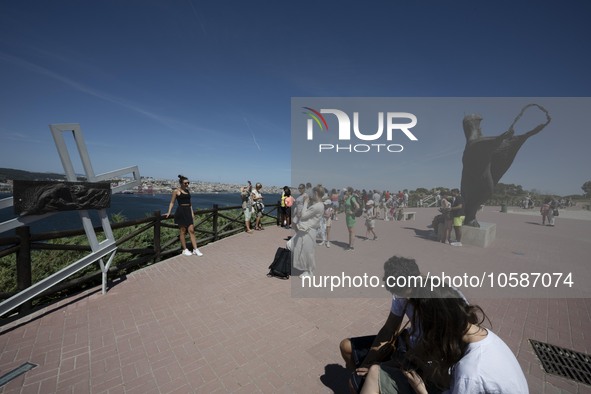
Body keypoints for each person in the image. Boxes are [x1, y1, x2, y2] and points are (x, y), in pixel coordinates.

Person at [360, 281, 528, 394]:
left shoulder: (469, 374)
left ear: (438, 328)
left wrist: (420, 390)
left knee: (375, 373)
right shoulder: (486, 337)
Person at [287, 185, 325, 277]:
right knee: (292, 245)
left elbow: (303, 216)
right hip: (306, 230)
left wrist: (305, 203)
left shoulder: (317, 206)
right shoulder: (320, 205)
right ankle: (302, 266)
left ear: (316, 193)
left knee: (307, 252)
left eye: (313, 193)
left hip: (308, 231)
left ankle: (308, 271)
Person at [165, 174, 203, 256]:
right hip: (181, 211)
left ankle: (195, 249)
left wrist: (192, 212)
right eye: (185, 183)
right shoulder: (176, 191)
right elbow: (172, 202)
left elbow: (190, 203)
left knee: (191, 230)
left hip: (188, 211)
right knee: (182, 231)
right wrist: (169, 212)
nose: (187, 184)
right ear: (181, 183)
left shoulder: (187, 191)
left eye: (188, 183)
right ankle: (185, 249)